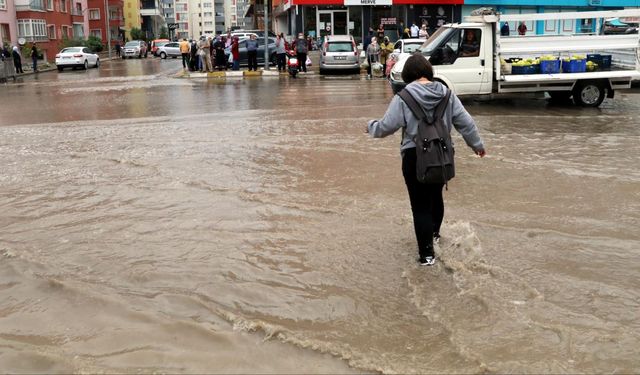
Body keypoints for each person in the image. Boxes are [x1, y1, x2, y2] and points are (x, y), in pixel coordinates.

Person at [366, 54, 485, 266]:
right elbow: (466, 123)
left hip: (414, 157)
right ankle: (435, 237)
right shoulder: (447, 95)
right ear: (429, 72)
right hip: (442, 155)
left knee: (419, 206)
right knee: (436, 196)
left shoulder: (403, 97)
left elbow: (385, 127)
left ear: (408, 76)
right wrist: (477, 146)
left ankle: (427, 257)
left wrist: (370, 126)